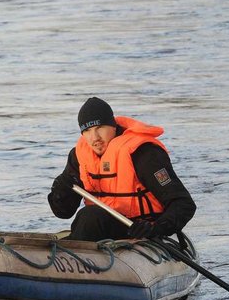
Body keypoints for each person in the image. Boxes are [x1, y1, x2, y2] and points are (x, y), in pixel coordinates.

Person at [47, 97, 196, 242]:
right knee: (88, 217)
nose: (94, 138)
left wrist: (155, 228)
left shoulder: (143, 154)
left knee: (90, 216)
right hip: (104, 227)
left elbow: (183, 204)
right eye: (87, 131)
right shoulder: (79, 157)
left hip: (142, 230)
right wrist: (61, 192)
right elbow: (64, 213)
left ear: (113, 125)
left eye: (99, 128)